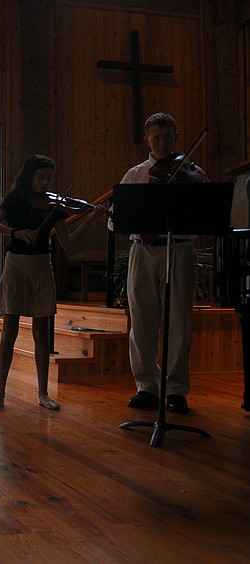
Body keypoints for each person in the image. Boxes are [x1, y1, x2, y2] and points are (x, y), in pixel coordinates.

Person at [0, 155, 104, 411]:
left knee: (41, 334)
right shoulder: (14, 199)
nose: (46, 183)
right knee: (9, 332)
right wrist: (15, 232)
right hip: (15, 265)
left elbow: (68, 245)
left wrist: (90, 218)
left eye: (49, 178)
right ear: (29, 176)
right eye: (41, 177)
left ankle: (43, 394)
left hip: (41, 266)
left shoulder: (54, 206)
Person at [119, 113, 207, 414]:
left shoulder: (194, 174)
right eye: (156, 137)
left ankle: (176, 390)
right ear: (148, 140)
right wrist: (113, 216)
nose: (162, 142)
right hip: (142, 249)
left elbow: (205, 214)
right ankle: (146, 386)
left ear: (176, 136)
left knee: (179, 321)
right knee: (142, 321)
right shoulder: (134, 174)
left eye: (167, 136)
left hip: (178, 248)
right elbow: (117, 221)